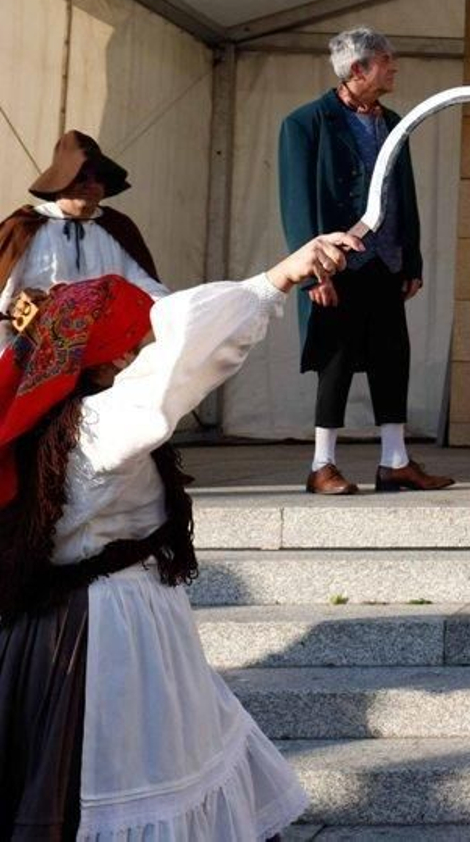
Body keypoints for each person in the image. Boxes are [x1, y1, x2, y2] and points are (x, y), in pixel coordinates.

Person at [0, 231, 361, 840]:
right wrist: (277, 278)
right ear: (113, 361)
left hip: (49, 627)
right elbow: (187, 355)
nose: (147, 349)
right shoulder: (101, 426)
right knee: (125, 774)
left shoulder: (38, 417)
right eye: (137, 343)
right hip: (113, 631)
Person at [278, 26, 452, 496]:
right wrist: (312, 269)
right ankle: (322, 465)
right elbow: (296, 203)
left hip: (385, 264)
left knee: (391, 357)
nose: (394, 67)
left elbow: (404, 195)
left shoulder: (393, 122)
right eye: (386, 60)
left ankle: (395, 461)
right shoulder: (306, 123)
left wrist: (410, 260)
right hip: (336, 265)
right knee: (334, 360)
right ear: (359, 69)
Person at [0, 131, 167, 335]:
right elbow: (4, 295)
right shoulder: (25, 227)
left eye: (97, 178)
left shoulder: (117, 228)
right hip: (36, 348)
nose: (90, 185)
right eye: (80, 177)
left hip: (104, 347)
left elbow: (146, 289)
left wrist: (175, 311)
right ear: (61, 181)